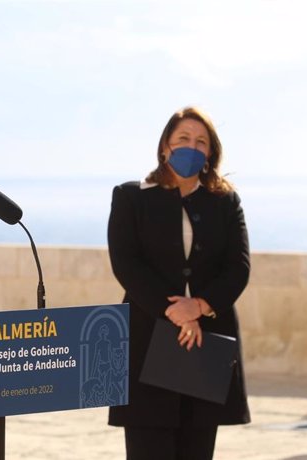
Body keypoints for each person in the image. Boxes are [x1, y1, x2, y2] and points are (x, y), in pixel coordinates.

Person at [107, 106, 251, 459]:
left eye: (201, 141)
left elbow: (239, 267)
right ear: (164, 147)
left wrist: (199, 307)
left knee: (197, 450)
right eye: (183, 138)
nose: (192, 146)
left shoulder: (226, 201)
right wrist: (177, 312)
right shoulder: (131, 197)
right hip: (147, 340)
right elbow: (126, 264)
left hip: (205, 343)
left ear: (210, 153)